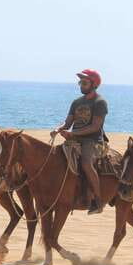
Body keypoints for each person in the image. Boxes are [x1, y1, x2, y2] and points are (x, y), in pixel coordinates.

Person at [50, 68, 108, 215]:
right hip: (74, 139)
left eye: (84, 82)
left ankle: (98, 200)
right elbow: (67, 122)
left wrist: (73, 134)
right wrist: (58, 129)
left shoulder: (100, 102)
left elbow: (95, 127)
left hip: (93, 141)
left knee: (86, 163)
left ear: (93, 84)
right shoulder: (76, 102)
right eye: (80, 82)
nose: (81, 85)